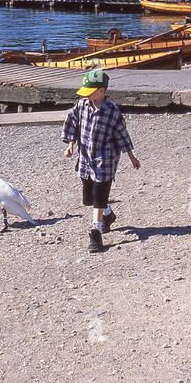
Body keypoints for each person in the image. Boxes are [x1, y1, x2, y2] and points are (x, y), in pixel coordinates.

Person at [62, 68, 141, 254]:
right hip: (86, 158)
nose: (87, 95)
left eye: (91, 91)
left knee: (98, 196)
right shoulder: (82, 105)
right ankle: (108, 214)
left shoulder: (112, 111)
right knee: (89, 198)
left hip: (105, 160)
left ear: (101, 91)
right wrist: (70, 145)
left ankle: (96, 233)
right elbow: (72, 122)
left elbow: (122, 135)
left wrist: (132, 157)